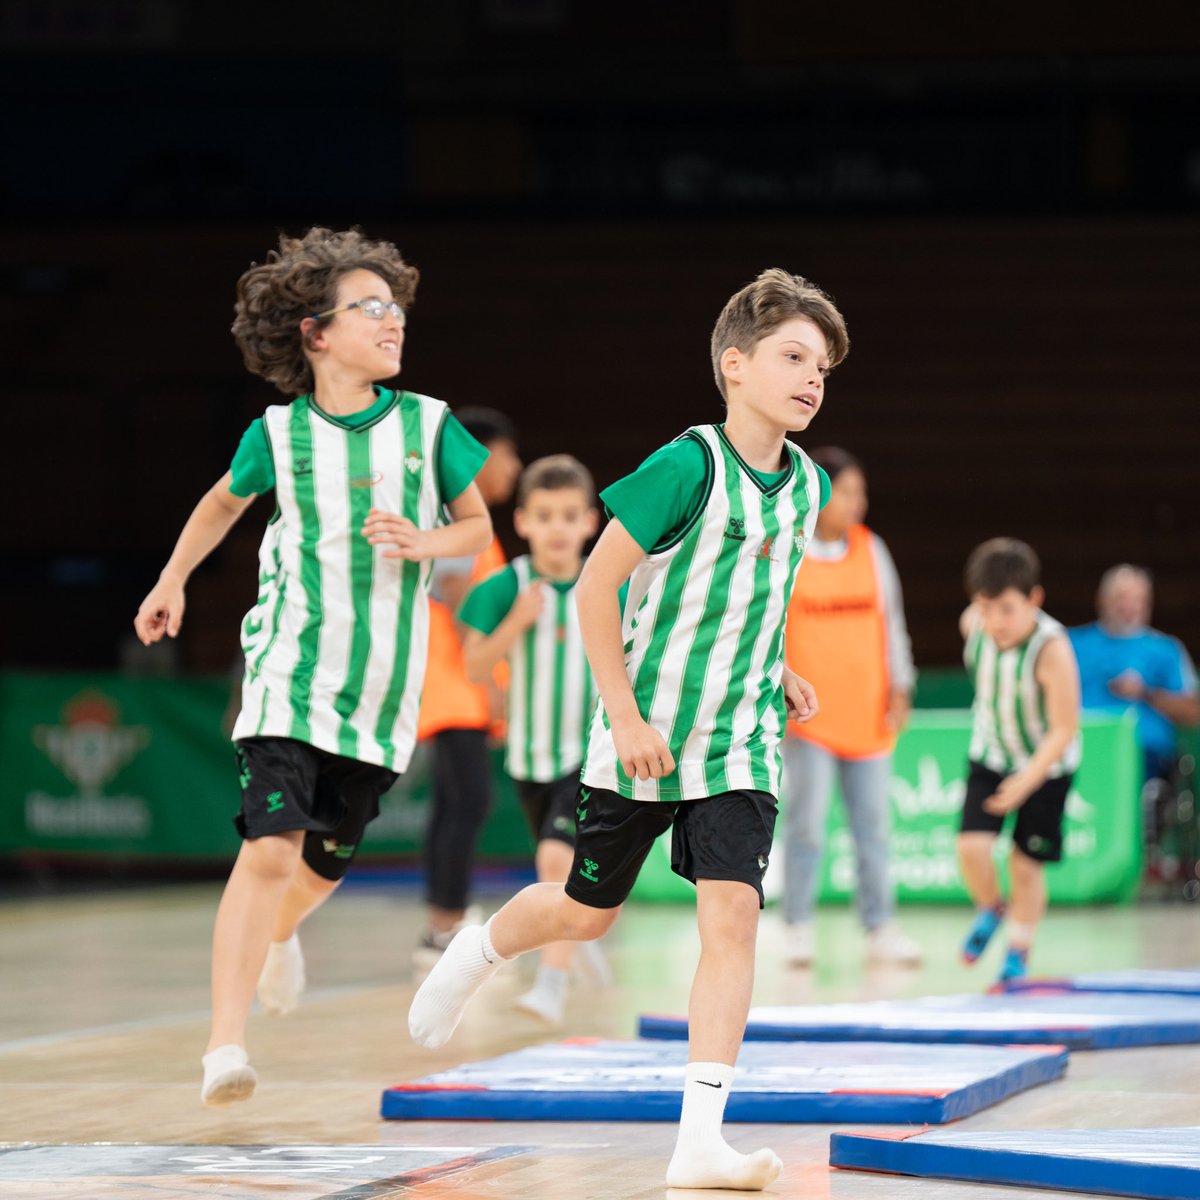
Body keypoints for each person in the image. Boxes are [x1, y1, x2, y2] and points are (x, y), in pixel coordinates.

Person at [409, 267, 849, 1191]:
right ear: (735, 365)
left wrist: (780, 670)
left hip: (739, 744)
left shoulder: (807, 485)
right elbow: (600, 588)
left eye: (823, 365)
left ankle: (699, 1141)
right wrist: (623, 712)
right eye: (793, 356)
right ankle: (477, 949)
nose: (813, 377)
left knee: (733, 917)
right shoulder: (686, 465)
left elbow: (749, 604)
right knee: (585, 910)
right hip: (641, 734)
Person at [133, 228, 493, 1106]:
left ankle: (282, 936)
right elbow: (221, 505)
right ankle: (224, 1046)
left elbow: (478, 528)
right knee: (267, 851)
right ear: (315, 332)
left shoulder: (429, 424)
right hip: (287, 675)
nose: (391, 320)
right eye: (369, 307)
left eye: (396, 307)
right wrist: (173, 578)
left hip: (379, 696)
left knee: (319, 871)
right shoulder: (278, 433)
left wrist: (426, 540)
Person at [458, 453, 609, 1024]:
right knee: (560, 873)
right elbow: (474, 667)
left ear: (590, 521)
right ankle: (578, 936)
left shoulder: (608, 583)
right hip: (528, 759)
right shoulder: (507, 587)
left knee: (555, 858)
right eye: (545, 516)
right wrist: (516, 623)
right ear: (521, 521)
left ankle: (551, 982)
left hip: (590, 755)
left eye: (570, 516)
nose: (558, 528)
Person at [780, 447, 921, 968]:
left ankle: (880, 927)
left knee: (873, 830)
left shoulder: (871, 549)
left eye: (861, 492)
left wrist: (901, 687)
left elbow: (893, 623)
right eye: (847, 491)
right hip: (809, 723)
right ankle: (796, 926)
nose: (858, 502)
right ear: (818, 494)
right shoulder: (787, 552)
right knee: (806, 827)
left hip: (868, 718)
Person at [413, 409, 522, 968]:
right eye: (507, 455)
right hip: (455, 689)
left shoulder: (466, 524)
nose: (515, 468)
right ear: (477, 455)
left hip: (454, 688)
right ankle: (445, 925)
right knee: (468, 803)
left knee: (454, 805)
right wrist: (486, 678)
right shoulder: (462, 521)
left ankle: (442, 920)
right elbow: (455, 591)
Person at [955, 538, 1081, 985]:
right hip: (990, 754)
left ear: (1034, 600)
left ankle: (1018, 951)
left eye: (1007, 609)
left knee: (1025, 865)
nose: (995, 622)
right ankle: (991, 908)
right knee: (971, 848)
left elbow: (1065, 728)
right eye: (985, 608)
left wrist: (1027, 780)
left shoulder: (1052, 649)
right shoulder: (973, 625)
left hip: (1046, 767)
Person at [1069, 565, 1199, 784]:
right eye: (1121, 598)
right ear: (1101, 600)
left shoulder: (1166, 649)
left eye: (1137, 599)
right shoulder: (1070, 643)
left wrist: (1145, 693)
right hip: (1079, 750)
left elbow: (1192, 713)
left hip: (1144, 756)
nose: (1128, 606)